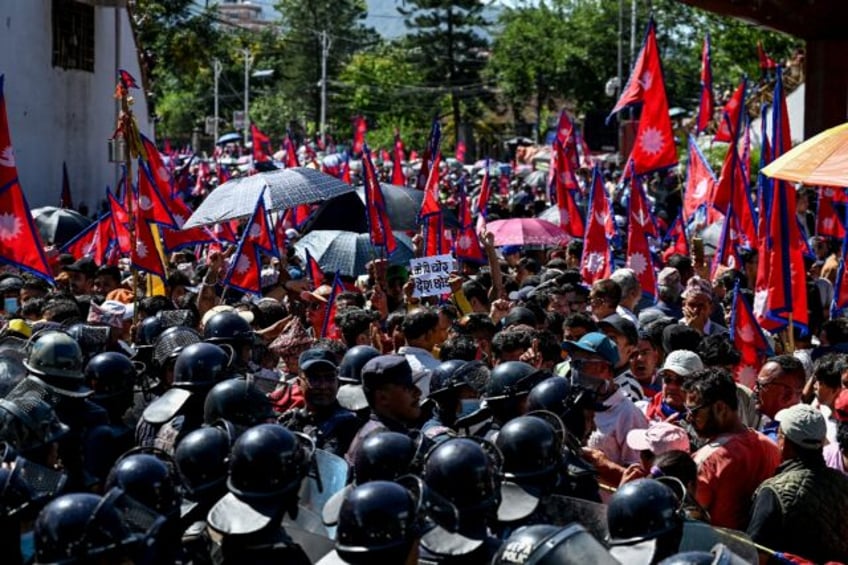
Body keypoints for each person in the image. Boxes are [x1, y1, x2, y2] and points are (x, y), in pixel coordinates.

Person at [747, 403, 848, 564]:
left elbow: (754, 553)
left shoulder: (774, 491)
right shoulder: (842, 482)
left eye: (779, 434)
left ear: (784, 442)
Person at [683, 367, 780, 530]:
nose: (688, 417)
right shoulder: (770, 447)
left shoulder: (707, 461)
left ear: (720, 408)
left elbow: (689, 522)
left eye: (694, 411)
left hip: (720, 544)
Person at [565, 332, 648, 468]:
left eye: (581, 364)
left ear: (605, 368)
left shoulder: (627, 414)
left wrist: (603, 464)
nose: (576, 371)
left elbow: (636, 472)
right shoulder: (573, 403)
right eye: (573, 363)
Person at [279, 348, 361, 456]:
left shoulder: (352, 426)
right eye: (314, 378)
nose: (323, 386)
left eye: (329, 378)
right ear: (299, 383)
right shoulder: (289, 424)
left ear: (338, 382)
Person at [344, 355, 422, 465]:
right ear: (383, 398)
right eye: (408, 388)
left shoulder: (379, 432)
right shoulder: (385, 444)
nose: (418, 393)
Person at [753, 355, 805, 442]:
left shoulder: (790, 438)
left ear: (787, 395)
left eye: (761, 385)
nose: (755, 389)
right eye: (756, 383)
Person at [644, 350, 704, 423]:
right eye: (667, 378)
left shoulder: (709, 423)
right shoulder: (642, 412)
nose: (672, 386)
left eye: (681, 380)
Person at [397, 308, 441, 396]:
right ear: (429, 334)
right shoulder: (434, 371)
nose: (439, 335)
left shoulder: (391, 363)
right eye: (438, 330)